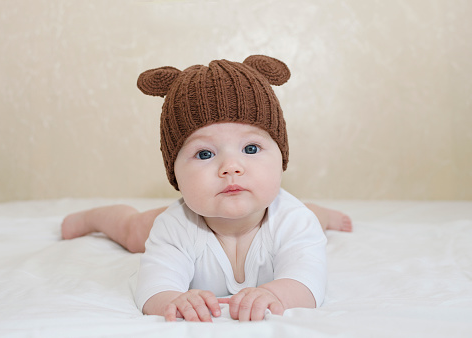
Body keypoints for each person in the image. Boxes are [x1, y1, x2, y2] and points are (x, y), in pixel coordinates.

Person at [61, 55, 352, 322]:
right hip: (182, 220)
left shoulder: (294, 221)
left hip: (289, 212)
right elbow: (153, 288)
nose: (231, 167)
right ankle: (94, 217)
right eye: (205, 154)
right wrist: (173, 300)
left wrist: (277, 294)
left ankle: (322, 215)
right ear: (174, 172)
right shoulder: (173, 227)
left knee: (307, 215)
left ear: (282, 157)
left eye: (251, 148)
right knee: (134, 230)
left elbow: (307, 281)